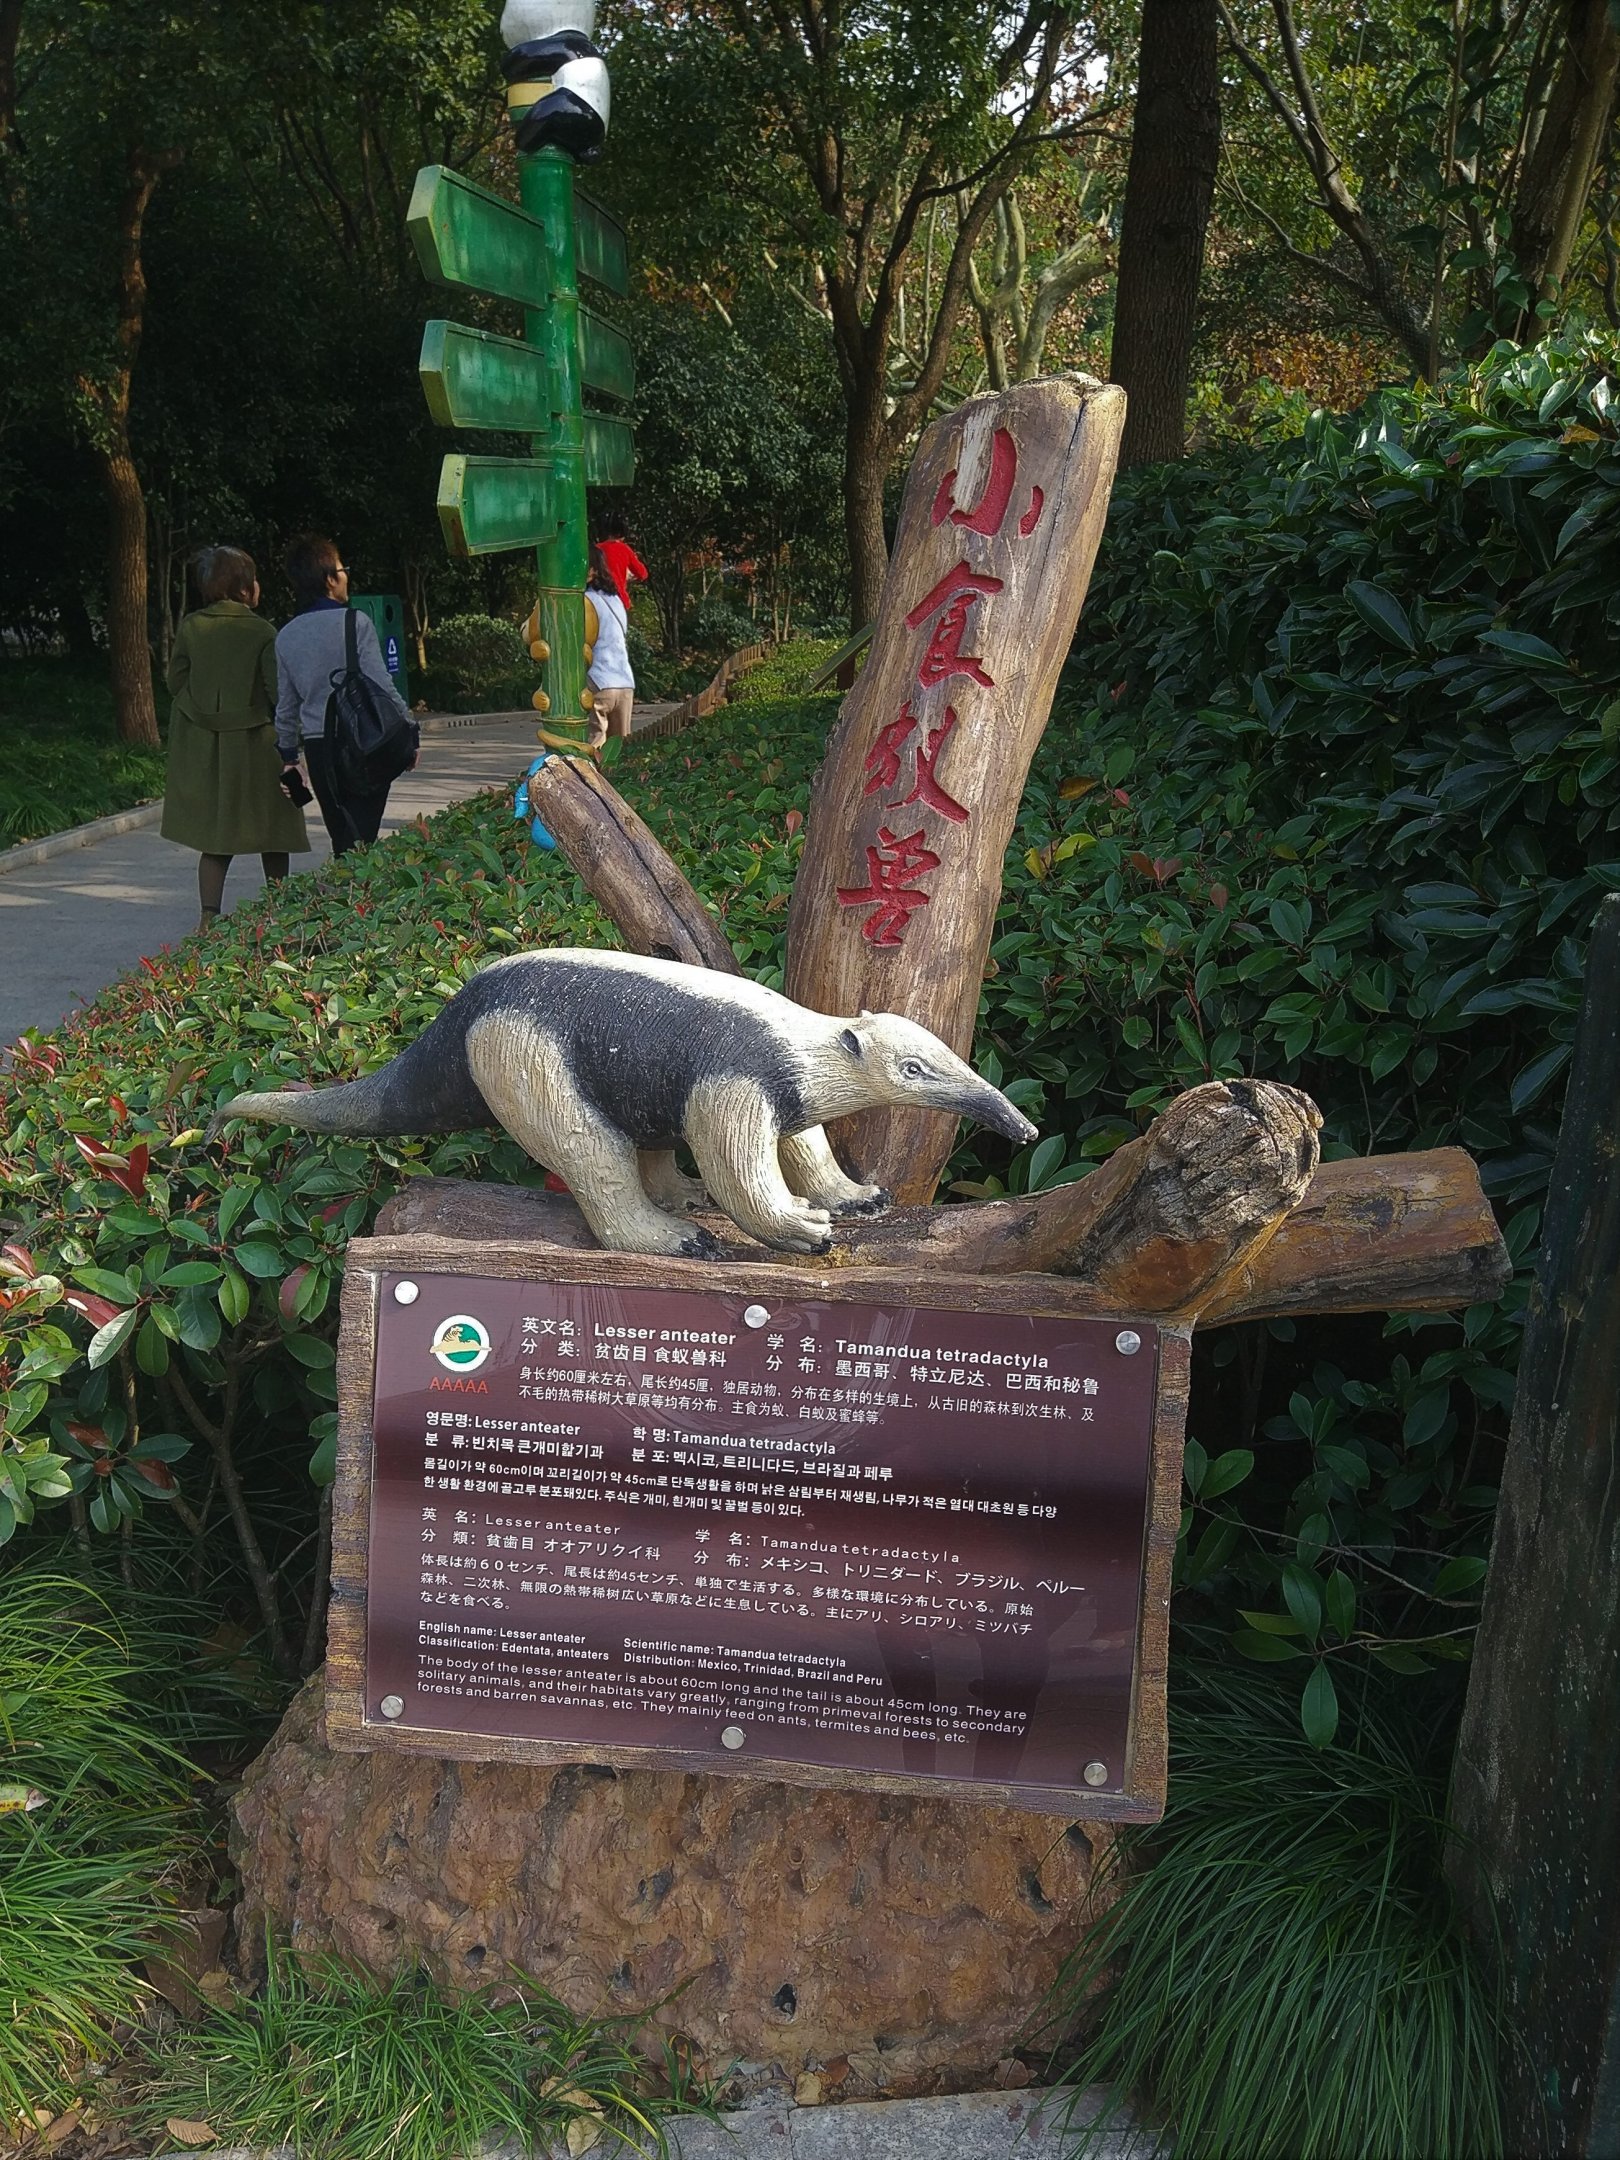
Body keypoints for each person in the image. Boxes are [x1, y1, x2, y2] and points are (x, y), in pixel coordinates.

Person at [161, 546, 309, 930]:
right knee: (274, 832)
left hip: (208, 747)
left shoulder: (192, 627)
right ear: (246, 588)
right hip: (258, 744)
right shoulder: (261, 631)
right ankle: (279, 909)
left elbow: (175, 680)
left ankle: (208, 916)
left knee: (217, 836)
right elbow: (277, 693)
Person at [274, 534, 414, 855]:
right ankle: (359, 897)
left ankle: (346, 895)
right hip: (365, 742)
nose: (345, 575)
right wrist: (410, 731)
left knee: (343, 837)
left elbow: (286, 708)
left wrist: (289, 759)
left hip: (319, 748)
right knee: (364, 838)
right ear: (329, 579)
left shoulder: (287, 635)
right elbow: (381, 682)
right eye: (342, 568)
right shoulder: (355, 622)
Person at [586, 545, 634, 749]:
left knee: (594, 750)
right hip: (624, 682)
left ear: (592, 570)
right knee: (619, 753)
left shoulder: (584, 600)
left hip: (598, 681)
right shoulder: (616, 600)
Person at [595, 514, 647, 613]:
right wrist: (629, 576)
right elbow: (643, 574)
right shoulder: (625, 549)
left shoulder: (597, 549)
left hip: (597, 599)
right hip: (619, 599)